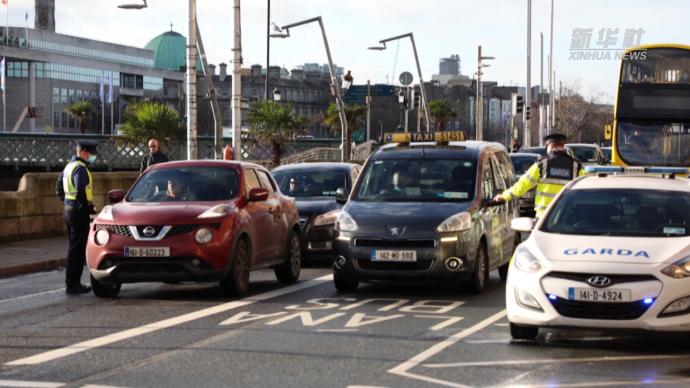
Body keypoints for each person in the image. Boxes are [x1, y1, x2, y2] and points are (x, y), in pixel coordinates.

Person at [493, 133, 585, 218]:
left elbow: (523, 184)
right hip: (566, 217)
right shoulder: (576, 166)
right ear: (563, 146)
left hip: (544, 218)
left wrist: (504, 196)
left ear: (550, 146)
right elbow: (586, 189)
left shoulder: (543, 164)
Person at [55, 140, 99, 295]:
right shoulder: (80, 169)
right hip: (79, 213)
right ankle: (73, 285)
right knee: (78, 250)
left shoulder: (68, 167)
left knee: (73, 248)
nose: (93, 157)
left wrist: (68, 202)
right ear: (84, 153)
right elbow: (80, 190)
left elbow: (58, 187)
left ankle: (72, 282)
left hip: (68, 210)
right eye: (92, 154)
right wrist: (86, 206)